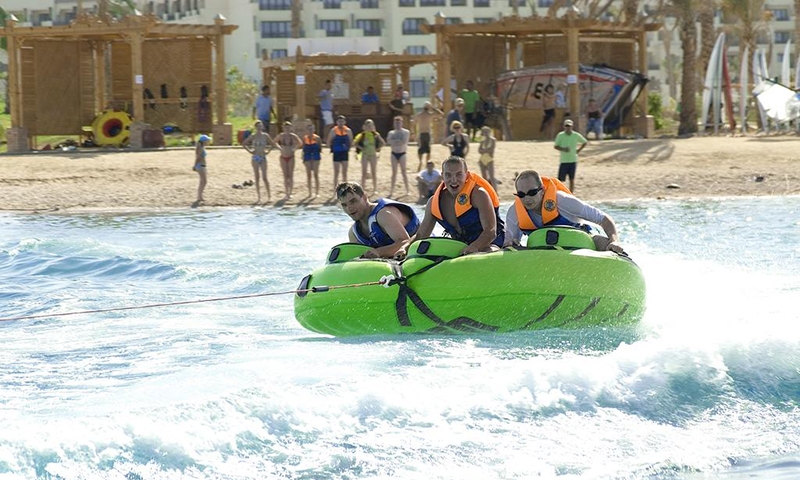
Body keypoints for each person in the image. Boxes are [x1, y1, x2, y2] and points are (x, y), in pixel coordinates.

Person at [503, 170, 624, 253]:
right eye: (521, 194)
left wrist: (614, 241)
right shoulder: (514, 212)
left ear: (542, 190)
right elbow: (510, 242)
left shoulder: (562, 200)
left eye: (532, 193)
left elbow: (603, 218)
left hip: (583, 242)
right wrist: (510, 243)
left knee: (609, 247)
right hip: (542, 251)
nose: (527, 199)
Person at [414, 156, 505, 255]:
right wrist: (405, 246)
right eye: (448, 175)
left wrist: (474, 247)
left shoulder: (479, 194)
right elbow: (420, 236)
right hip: (460, 248)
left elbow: (490, 231)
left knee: (489, 251)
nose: (453, 180)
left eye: (459, 174)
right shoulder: (433, 203)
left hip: (491, 244)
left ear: (466, 174)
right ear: (442, 176)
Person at [336, 181, 420, 259]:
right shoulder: (354, 233)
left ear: (364, 197)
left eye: (353, 201)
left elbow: (405, 241)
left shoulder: (383, 215)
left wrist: (379, 252)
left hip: (420, 250)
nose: (349, 208)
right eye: (344, 205)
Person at [241, 120, 274, 203]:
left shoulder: (265, 135)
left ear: (262, 127)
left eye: (260, 126)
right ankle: (259, 197)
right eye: (258, 126)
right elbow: (244, 143)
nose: (259, 128)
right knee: (257, 177)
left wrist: (268, 151)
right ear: (255, 127)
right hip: (255, 157)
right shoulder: (253, 136)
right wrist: (250, 151)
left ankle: (269, 196)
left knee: (265, 177)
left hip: (263, 156)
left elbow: (272, 144)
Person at [553, 118, 587, 192]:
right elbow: (556, 146)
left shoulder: (576, 135)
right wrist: (563, 149)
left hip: (573, 160)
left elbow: (584, 142)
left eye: (569, 126)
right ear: (564, 126)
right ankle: (560, 192)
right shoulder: (560, 135)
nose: (568, 127)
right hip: (564, 161)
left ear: (572, 126)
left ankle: (571, 193)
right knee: (560, 179)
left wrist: (578, 150)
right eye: (566, 126)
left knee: (572, 179)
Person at [353, 119, 385, 195]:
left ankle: (375, 189)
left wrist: (377, 148)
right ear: (364, 126)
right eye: (368, 126)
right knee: (364, 172)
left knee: (373, 172)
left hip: (373, 154)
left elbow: (383, 143)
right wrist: (361, 148)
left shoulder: (375, 134)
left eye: (371, 126)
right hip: (365, 154)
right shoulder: (362, 135)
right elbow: (355, 143)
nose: (369, 127)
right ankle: (362, 189)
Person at [275, 121, 303, 200]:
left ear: (291, 128)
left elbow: (300, 143)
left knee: (290, 175)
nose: (287, 129)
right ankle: (286, 192)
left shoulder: (293, 136)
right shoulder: (281, 136)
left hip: (291, 157)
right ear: (283, 128)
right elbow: (274, 142)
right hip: (283, 157)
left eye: (288, 127)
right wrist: (280, 148)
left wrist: (294, 148)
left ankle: (290, 193)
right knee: (285, 175)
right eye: (285, 127)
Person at [413, 101, 444, 171]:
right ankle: (425, 162)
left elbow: (413, 123)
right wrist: (434, 108)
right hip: (427, 133)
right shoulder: (430, 115)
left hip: (421, 133)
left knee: (421, 149)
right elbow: (441, 114)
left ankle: (421, 162)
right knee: (427, 149)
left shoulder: (419, 115)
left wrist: (414, 133)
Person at [326, 115, 353, 192]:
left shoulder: (348, 130)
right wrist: (332, 148)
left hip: (344, 153)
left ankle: (345, 189)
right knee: (336, 172)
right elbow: (328, 141)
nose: (341, 123)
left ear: (345, 122)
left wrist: (348, 148)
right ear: (336, 122)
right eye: (339, 121)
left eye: (342, 121)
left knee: (344, 172)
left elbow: (351, 141)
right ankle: (336, 189)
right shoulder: (333, 131)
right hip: (336, 153)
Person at [386, 116, 411, 198]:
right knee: (394, 173)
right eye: (396, 123)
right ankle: (391, 191)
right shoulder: (391, 133)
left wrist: (395, 142)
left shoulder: (406, 132)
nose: (397, 124)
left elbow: (404, 142)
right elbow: (389, 141)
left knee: (404, 172)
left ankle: (407, 190)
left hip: (402, 153)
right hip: (394, 153)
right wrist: (397, 141)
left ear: (402, 123)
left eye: (399, 123)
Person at [302, 123, 322, 198]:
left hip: (316, 156)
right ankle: (310, 192)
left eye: (312, 129)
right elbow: (303, 149)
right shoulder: (304, 138)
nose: (310, 131)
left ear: (314, 130)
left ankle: (317, 192)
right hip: (307, 156)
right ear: (306, 130)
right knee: (309, 175)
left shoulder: (317, 138)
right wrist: (303, 159)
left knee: (316, 174)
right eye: (309, 129)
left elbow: (319, 148)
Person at [477, 126, 497, 190]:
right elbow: (479, 150)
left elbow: (491, 150)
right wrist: (485, 150)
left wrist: (484, 150)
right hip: (482, 159)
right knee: (484, 177)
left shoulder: (493, 140)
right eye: (484, 132)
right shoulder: (482, 141)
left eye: (487, 131)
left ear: (489, 132)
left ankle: (495, 192)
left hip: (489, 159)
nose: (486, 133)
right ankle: (486, 190)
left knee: (492, 177)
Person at [193, 134, 211, 204]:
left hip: (202, 165)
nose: (208, 142)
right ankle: (199, 196)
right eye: (207, 140)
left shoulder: (201, 147)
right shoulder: (200, 148)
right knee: (204, 181)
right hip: (200, 166)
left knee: (202, 181)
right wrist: (195, 165)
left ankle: (200, 196)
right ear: (204, 141)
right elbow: (198, 157)